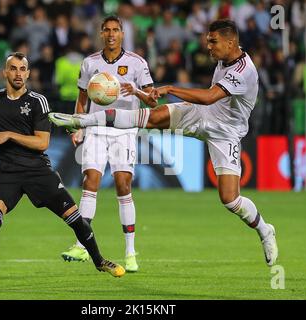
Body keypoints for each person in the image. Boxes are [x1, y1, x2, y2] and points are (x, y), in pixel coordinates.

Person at [49, 20, 279, 267]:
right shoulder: (225, 59)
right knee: (149, 118)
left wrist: (169, 88)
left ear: (230, 42)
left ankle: (265, 230)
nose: (208, 46)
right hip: (202, 115)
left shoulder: (244, 70)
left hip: (226, 133)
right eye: (208, 40)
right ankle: (80, 121)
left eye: (213, 41)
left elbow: (210, 96)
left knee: (230, 199)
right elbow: (206, 103)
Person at [0, 52, 125, 291]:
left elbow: (42, 143)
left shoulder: (37, 101)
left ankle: (100, 261)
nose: (18, 73)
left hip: (37, 170)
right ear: (5, 72)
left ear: (28, 74)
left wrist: (9, 134)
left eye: (23, 69)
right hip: (3, 172)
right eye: (13, 68)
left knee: (75, 218)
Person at [59, 16, 157, 273]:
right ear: (101, 34)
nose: (111, 34)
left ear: (122, 34)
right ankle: (81, 245)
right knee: (90, 181)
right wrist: (78, 125)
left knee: (123, 185)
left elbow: (153, 101)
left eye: (116, 30)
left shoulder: (137, 63)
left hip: (124, 131)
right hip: (96, 129)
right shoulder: (90, 62)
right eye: (107, 30)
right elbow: (82, 99)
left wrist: (136, 91)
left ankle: (130, 251)